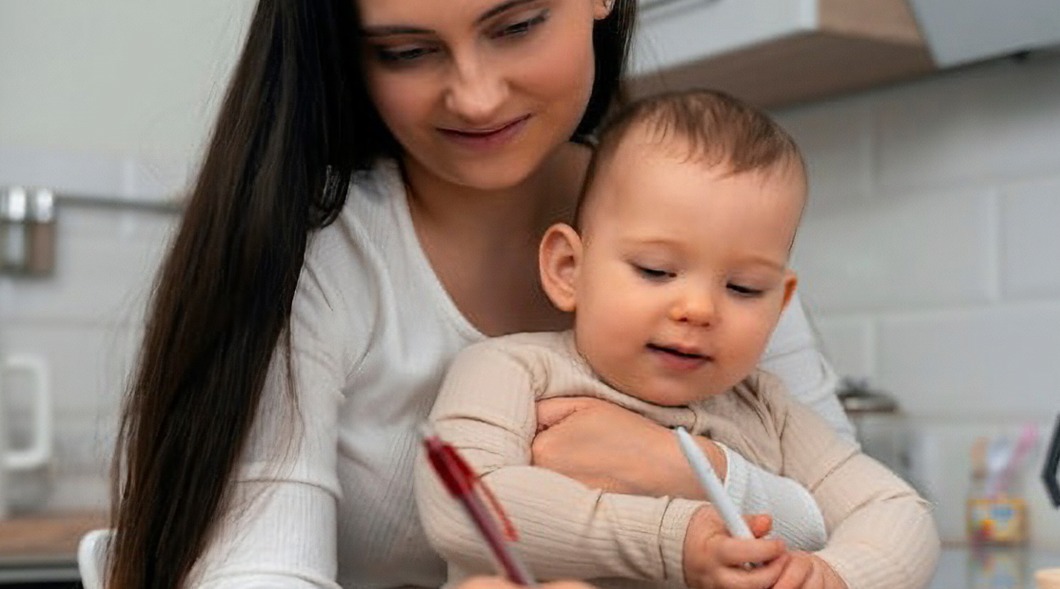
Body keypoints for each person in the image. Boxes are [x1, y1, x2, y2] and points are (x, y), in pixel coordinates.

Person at [107, 1, 856, 588]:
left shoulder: (712, 242)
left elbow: (861, 532)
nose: (476, 96)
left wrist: (684, 467)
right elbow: (255, 571)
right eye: (406, 51)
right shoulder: (318, 259)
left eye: (518, 26)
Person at [417, 89, 940, 589]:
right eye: (656, 270)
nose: (699, 310)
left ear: (780, 306)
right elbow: (461, 506)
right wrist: (672, 540)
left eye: (743, 288)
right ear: (569, 269)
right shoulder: (511, 371)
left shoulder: (770, 411)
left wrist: (835, 576)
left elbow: (897, 511)